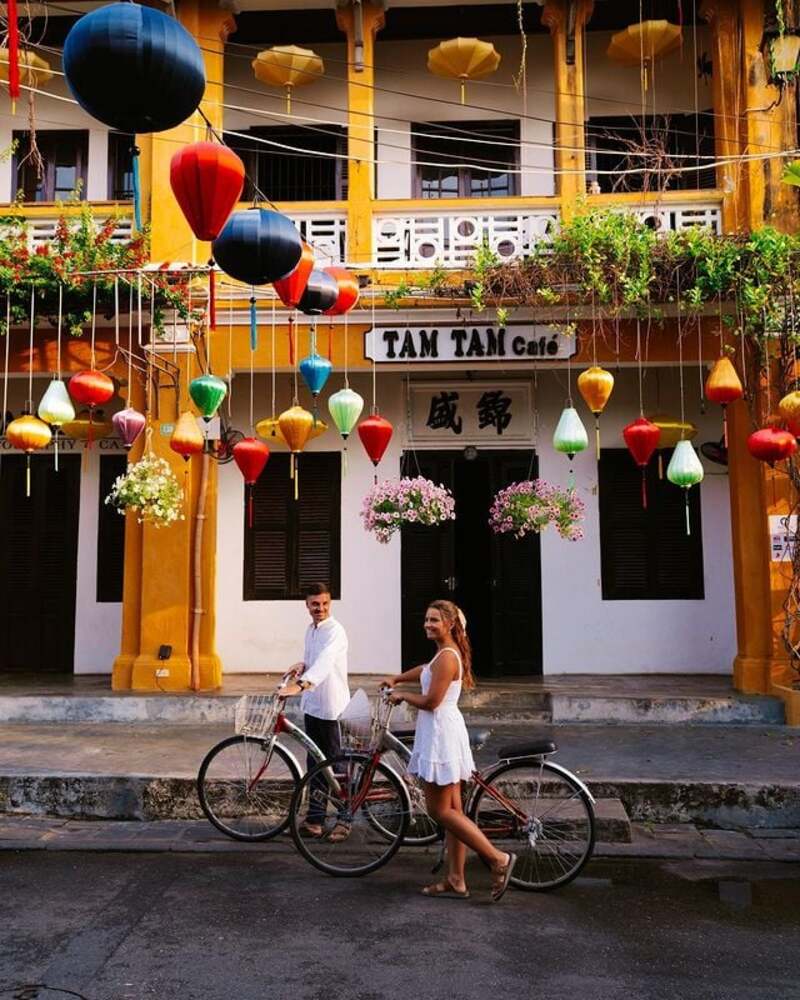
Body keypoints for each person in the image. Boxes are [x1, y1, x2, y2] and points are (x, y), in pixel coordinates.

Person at [384, 600, 516, 902]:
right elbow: (425, 670)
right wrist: (399, 678)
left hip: (440, 733)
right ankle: (456, 879)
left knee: (439, 811)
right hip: (442, 729)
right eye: (426, 619)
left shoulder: (447, 657)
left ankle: (498, 859)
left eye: (434, 621)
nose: (428, 624)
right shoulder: (444, 653)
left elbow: (431, 701)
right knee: (454, 811)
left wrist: (402, 695)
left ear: (450, 624)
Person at [280, 582, 350, 839]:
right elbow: (313, 660)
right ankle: (315, 820)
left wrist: (298, 686)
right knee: (315, 762)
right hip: (313, 704)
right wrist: (302, 665)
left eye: (324, 604)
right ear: (307, 605)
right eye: (314, 604)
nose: (319, 608)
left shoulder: (335, 631)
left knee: (336, 764)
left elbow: (325, 662)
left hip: (331, 706)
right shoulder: (311, 630)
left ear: (330, 604)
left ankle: (345, 819)